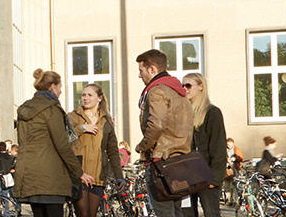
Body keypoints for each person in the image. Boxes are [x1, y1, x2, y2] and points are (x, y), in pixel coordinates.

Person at [14, 69, 82, 217]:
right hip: (50, 178)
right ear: (52, 86)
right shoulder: (51, 109)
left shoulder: (26, 109)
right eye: (60, 87)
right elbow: (62, 144)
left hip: (30, 176)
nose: (61, 91)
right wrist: (79, 172)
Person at [134, 49, 193, 217]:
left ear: (153, 69)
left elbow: (156, 125)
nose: (139, 75)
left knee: (165, 213)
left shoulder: (157, 91)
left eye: (141, 70)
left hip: (161, 162)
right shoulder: (180, 93)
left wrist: (142, 146)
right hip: (181, 160)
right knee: (176, 211)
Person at [68, 84, 121, 217]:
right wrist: (82, 128)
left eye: (89, 95)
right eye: (83, 95)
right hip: (79, 174)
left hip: (98, 176)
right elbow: (63, 138)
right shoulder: (73, 117)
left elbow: (113, 152)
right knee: (83, 215)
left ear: (99, 98)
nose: (85, 98)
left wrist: (119, 176)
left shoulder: (106, 121)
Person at [183, 73, 225, 217]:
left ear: (201, 87)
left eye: (188, 85)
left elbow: (218, 147)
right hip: (187, 175)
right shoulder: (184, 113)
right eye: (183, 85)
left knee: (211, 213)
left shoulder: (212, 112)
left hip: (206, 175)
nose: (185, 89)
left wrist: (215, 178)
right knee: (187, 214)